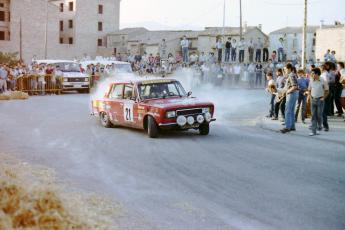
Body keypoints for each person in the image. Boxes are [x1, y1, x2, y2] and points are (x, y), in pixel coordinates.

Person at [308, 68, 329, 136]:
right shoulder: (311, 81)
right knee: (313, 116)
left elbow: (327, 91)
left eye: (313, 73)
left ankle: (319, 126)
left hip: (320, 100)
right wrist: (310, 97)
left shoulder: (323, 80)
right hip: (313, 100)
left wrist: (323, 97)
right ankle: (314, 130)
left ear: (317, 74)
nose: (311, 74)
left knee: (319, 115)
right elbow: (309, 90)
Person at [281, 63, 299, 133]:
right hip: (293, 94)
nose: (284, 71)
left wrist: (287, 91)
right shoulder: (292, 74)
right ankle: (292, 126)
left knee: (288, 110)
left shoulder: (291, 75)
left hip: (291, 94)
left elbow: (294, 86)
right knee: (291, 111)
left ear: (288, 69)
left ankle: (287, 127)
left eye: (285, 69)